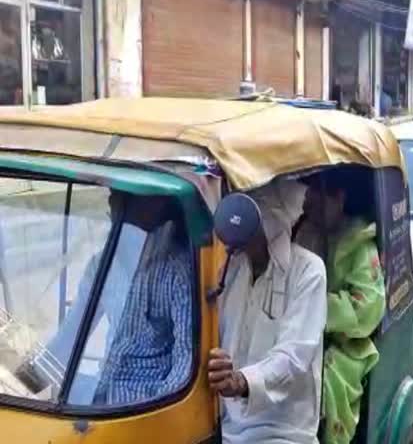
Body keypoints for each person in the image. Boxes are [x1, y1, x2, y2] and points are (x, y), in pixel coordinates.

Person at [17, 194, 194, 406]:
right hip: (100, 396)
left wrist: (158, 413)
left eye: (123, 194)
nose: (112, 199)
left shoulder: (177, 273)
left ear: (155, 203)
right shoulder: (101, 265)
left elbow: (186, 361)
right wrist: (22, 382)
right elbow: (71, 335)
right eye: (112, 192)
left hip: (143, 407)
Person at [209, 179, 327, 444]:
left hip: (283, 432)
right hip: (228, 425)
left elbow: (294, 358)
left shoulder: (308, 270)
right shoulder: (231, 269)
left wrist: (240, 382)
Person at [295, 169, 386, 444]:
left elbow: (368, 306)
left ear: (340, 199)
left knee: (320, 382)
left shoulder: (359, 241)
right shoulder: (304, 233)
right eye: (307, 199)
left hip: (344, 346)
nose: (310, 206)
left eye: (318, 199)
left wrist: (314, 307)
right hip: (299, 334)